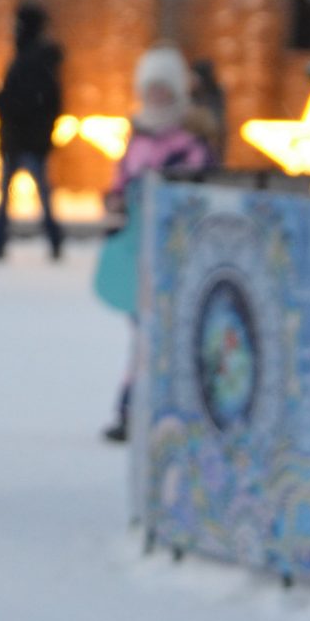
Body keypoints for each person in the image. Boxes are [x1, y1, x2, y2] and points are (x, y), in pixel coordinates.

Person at [96, 45, 216, 442]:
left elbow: (198, 195)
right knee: (143, 335)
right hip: (138, 251)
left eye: (164, 89)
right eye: (151, 89)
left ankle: (174, 410)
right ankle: (133, 409)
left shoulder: (190, 144)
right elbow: (121, 181)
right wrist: (115, 204)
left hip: (175, 253)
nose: (157, 97)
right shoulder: (138, 139)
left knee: (170, 334)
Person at [0, 2, 64, 261]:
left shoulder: (31, 60)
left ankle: (7, 241)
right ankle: (47, 239)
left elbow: (29, 101)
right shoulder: (32, 59)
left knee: (27, 195)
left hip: (24, 139)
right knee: (24, 195)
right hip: (24, 139)